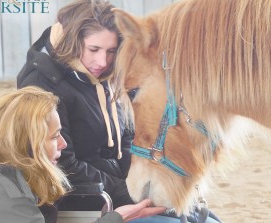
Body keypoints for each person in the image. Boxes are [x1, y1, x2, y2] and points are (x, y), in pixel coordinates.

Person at [17, 0, 221, 222]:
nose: (103, 61)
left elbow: (125, 135)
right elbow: (62, 164)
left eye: (111, 51)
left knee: (207, 219)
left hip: (115, 187)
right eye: (94, 49)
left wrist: (141, 180)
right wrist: (128, 193)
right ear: (73, 41)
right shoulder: (42, 83)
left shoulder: (103, 73)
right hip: (85, 199)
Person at [0, 86, 166, 223]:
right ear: (27, 142)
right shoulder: (6, 197)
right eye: (54, 136)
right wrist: (118, 217)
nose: (63, 144)